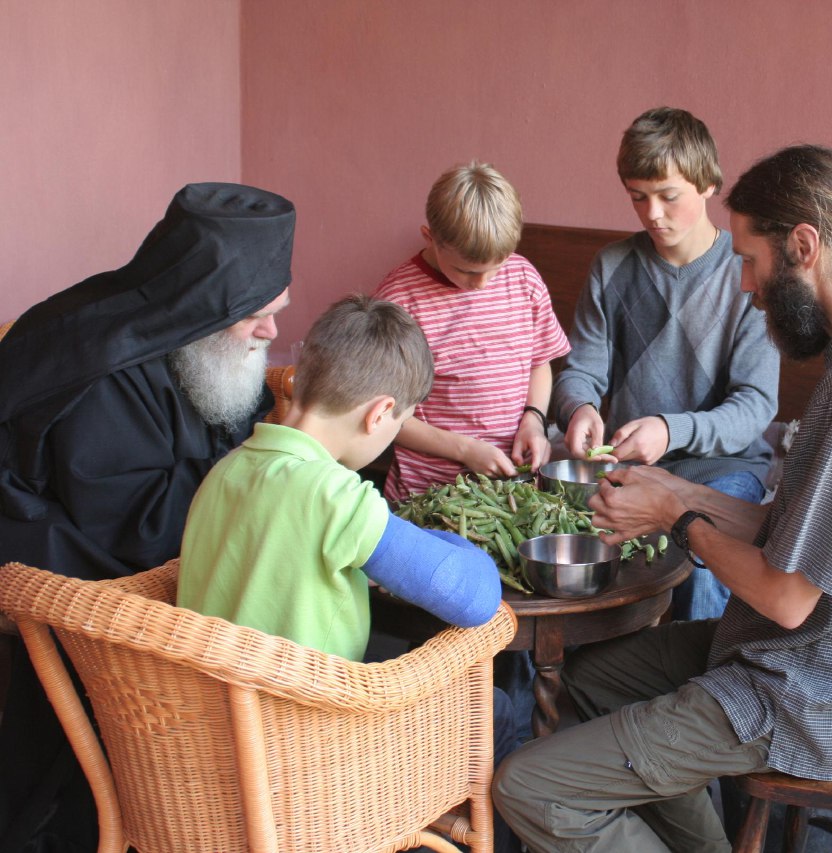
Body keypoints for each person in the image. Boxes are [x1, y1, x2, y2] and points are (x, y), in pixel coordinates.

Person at [494, 144, 832, 853]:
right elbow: (800, 531)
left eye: (752, 261)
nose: (749, 286)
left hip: (816, 694)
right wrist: (677, 487)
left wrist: (675, 515)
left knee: (526, 784)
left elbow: (786, 597)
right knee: (593, 674)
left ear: (804, 247)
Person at [0, 182, 295, 852]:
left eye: (280, 308)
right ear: (207, 302)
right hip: (71, 571)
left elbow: (225, 430)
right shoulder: (104, 375)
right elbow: (143, 533)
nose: (273, 331)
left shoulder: (195, 340)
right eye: (259, 312)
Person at [176, 294, 520, 853]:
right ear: (379, 413)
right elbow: (476, 597)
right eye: (400, 422)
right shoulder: (335, 496)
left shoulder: (226, 471)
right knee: (496, 711)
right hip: (307, 758)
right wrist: (454, 541)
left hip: (206, 746)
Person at [550, 107, 779, 621]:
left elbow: (755, 407)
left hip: (724, 470)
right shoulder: (611, 266)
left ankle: (693, 694)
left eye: (668, 196)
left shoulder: (746, 276)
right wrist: (579, 409)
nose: (652, 213)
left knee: (702, 565)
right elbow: (581, 372)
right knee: (566, 547)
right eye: (637, 197)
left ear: (707, 185)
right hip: (628, 467)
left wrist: (669, 432)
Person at [373, 161, 571, 501]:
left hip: (513, 493)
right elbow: (382, 414)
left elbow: (539, 362)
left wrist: (534, 420)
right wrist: (464, 450)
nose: (482, 284)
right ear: (429, 238)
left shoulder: (523, 278)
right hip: (428, 496)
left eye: (496, 268)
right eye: (466, 271)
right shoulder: (398, 302)